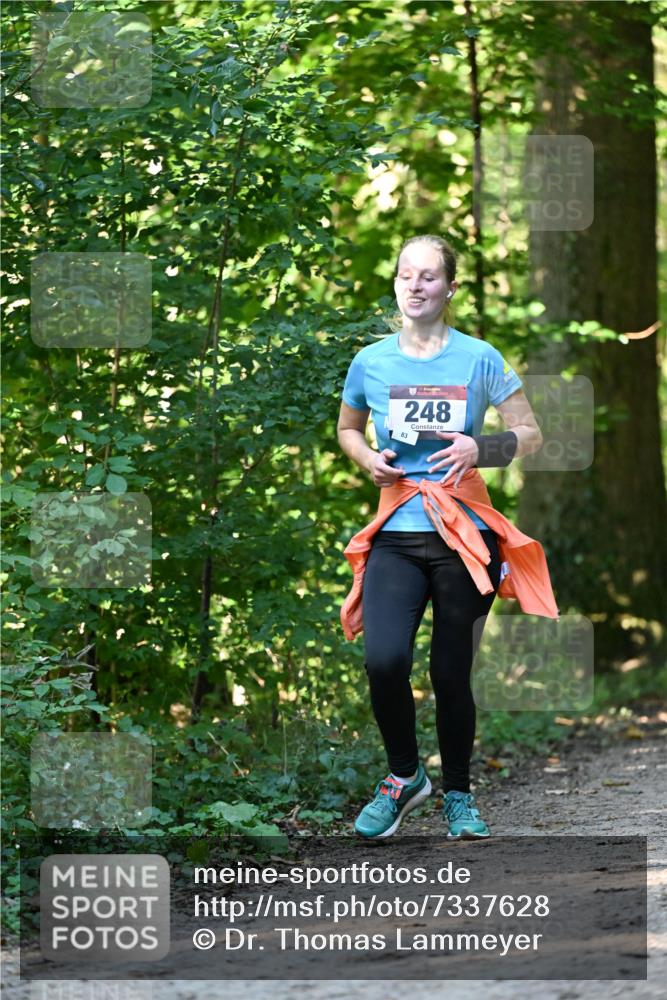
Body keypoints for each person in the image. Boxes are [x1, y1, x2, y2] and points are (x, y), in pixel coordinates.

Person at [336, 234, 548, 840]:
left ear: (449, 288)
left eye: (429, 276)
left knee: (451, 672)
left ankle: (458, 794)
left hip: (464, 537)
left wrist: (483, 447)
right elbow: (348, 430)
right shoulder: (371, 361)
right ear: (396, 284)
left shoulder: (479, 357)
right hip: (397, 535)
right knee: (384, 660)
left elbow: (529, 433)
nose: (416, 285)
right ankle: (405, 777)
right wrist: (366, 459)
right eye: (406, 274)